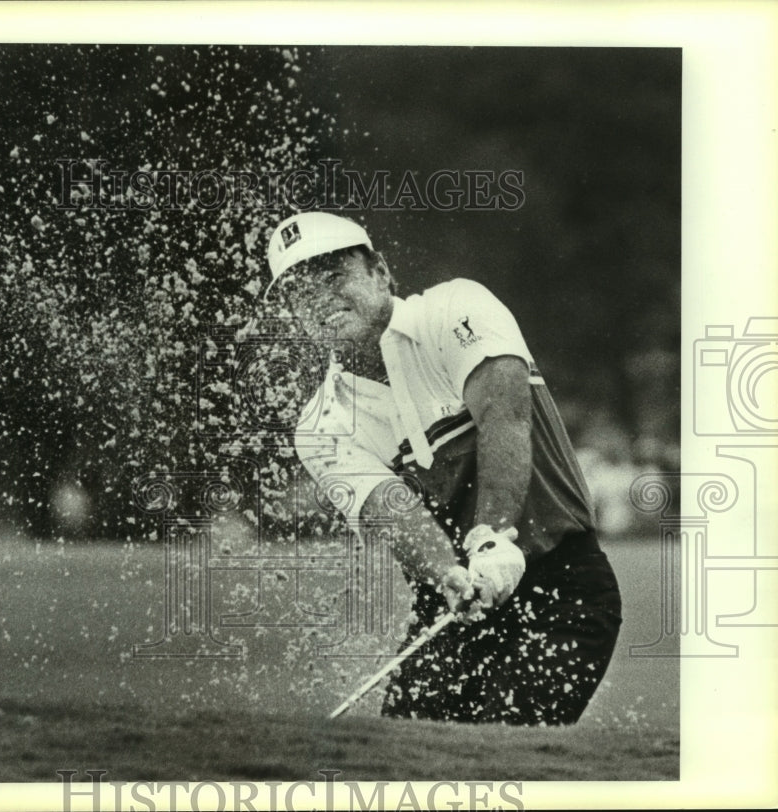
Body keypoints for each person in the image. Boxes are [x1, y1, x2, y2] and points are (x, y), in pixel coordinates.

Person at [262, 211, 622, 725]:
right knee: (404, 764)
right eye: (300, 291)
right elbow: (394, 512)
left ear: (380, 272)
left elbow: (505, 418)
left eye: (334, 274)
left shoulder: (456, 308)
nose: (319, 297)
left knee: (503, 756)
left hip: (563, 590)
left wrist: (493, 539)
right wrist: (448, 574)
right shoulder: (320, 426)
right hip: (454, 606)